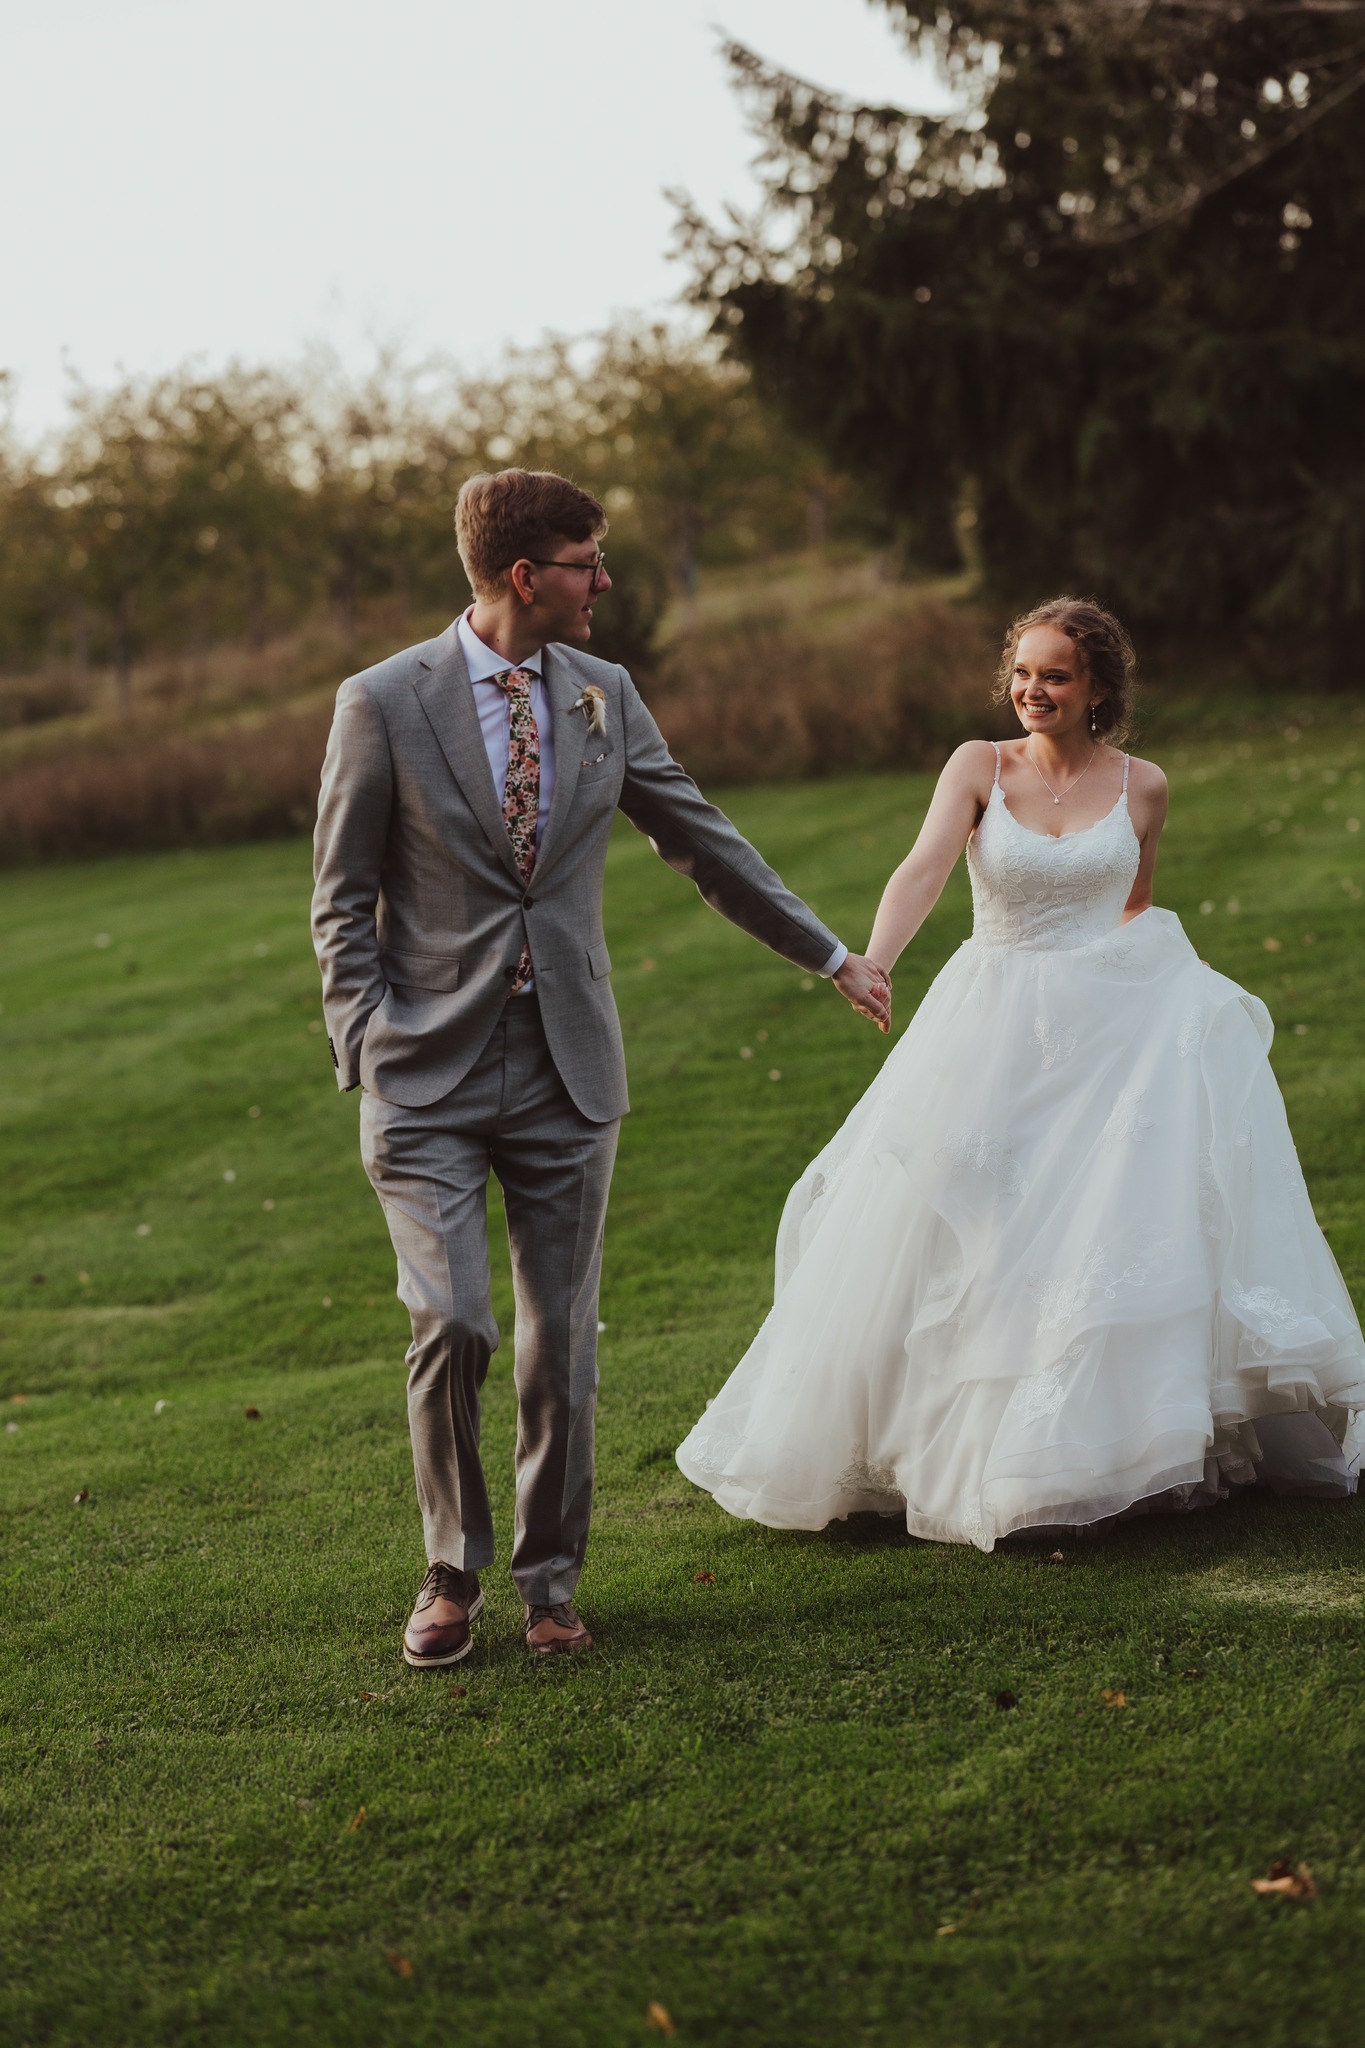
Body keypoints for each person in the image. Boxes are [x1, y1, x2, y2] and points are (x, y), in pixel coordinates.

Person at [311, 468, 889, 1665]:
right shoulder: (381, 702)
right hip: (422, 1074)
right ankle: (449, 1568)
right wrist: (366, 1041)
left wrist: (829, 950)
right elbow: (340, 900)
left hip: (568, 1067)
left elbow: (699, 833)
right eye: (588, 559)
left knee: (559, 1340)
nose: (605, 581)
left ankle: (551, 1581)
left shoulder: (603, 693)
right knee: (453, 1320)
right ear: (527, 575)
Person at [676, 597, 1365, 1546]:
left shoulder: (1144, 786)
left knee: (1097, 1229)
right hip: (991, 1014)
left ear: (1096, 691)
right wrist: (873, 960)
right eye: (1022, 673)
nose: (1031, 690)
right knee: (978, 1220)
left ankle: (1084, 1450)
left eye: (1055, 676)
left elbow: (1134, 905)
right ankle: (961, 1445)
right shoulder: (977, 764)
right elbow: (922, 867)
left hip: (1113, 1030)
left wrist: (1146, 1013)